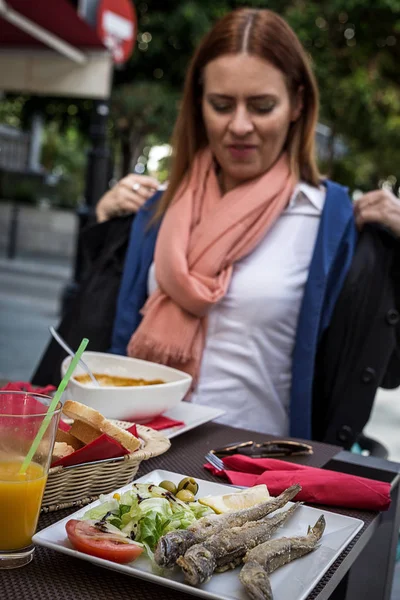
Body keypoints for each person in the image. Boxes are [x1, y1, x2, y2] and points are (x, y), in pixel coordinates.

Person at [38, 8, 400, 448]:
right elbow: (101, 333)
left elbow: (388, 367)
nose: (240, 125)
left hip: (259, 477)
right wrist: (106, 231)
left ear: (298, 104)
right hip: (141, 466)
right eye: (222, 104)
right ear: (198, 104)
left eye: (262, 106)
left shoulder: (335, 223)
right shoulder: (157, 208)